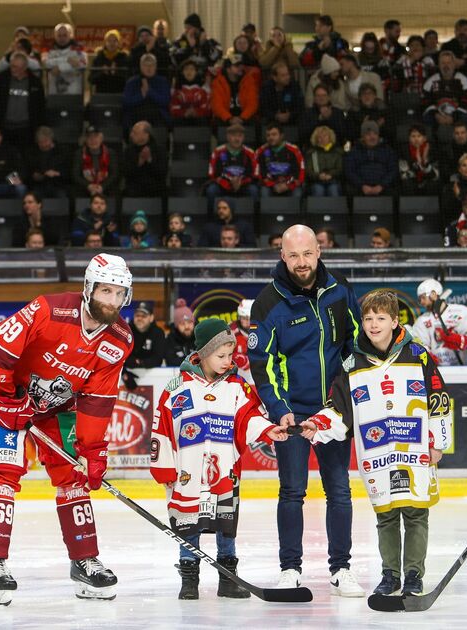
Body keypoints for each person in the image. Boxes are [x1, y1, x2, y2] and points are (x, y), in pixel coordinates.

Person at [0, 253, 134, 605]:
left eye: (120, 294)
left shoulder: (119, 340)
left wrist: (93, 451)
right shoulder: (49, 310)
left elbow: (97, 400)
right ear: (89, 288)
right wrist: (5, 399)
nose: (113, 301)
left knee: (74, 477)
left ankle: (85, 560)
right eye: (106, 291)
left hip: (56, 408)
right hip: (3, 395)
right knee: (2, 473)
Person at [298, 288, 452, 597]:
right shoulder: (353, 362)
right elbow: (338, 406)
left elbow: (439, 399)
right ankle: (390, 574)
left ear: (395, 321)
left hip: (415, 448)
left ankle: (413, 574)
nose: (373, 324)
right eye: (368, 318)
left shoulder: (418, 354)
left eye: (381, 318)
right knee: (386, 513)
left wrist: (438, 442)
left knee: (415, 511)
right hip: (377, 452)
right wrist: (318, 424)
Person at [248, 224, 363, 596]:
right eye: (293, 255)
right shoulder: (268, 303)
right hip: (293, 414)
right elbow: (262, 363)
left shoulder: (340, 289)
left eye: (307, 253)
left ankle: (341, 568)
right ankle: (289, 568)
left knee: (340, 491)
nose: (301, 262)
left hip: (331, 412)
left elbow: (354, 342)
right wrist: (280, 408)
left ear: (319, 251)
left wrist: (341, 402)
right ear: (282, 255)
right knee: (292, 491)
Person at [150, 317, 289, 600]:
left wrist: (268, 429)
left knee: (226, 523)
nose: (228, 361)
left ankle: (228, 579)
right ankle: (189, 580)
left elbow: (250, 416)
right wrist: (164, 468)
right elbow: (161, 428)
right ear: (202, 354)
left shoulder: (237, 386)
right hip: (187, 473)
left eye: (230, 355)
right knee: (188, 523)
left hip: (224, 471)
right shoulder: (177, 388)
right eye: (221, 355)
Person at [0, 51, 46, 150]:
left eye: (17, 67)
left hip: (26, 130)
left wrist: (39, 127)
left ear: (24, 67)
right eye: (12, 66)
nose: (13, 69)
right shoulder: (0, 79)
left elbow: (41, 106)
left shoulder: (35, 83)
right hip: (3, 128)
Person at [409, 279, 467, 366]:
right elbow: (420, 345)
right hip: (436, 373)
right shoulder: (421, 321)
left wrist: (459, 340)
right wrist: (429, 358)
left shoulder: (462, 311)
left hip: (461, 371)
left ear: (433, 294)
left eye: (423, 298)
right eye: (420, 300)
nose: (422, 302)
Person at [205, 123, 257, 208]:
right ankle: (211, 219)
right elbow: (212, 174)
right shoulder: (217, 152)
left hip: (242, 186)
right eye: (234, 136)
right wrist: (228, 184)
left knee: (253, 190)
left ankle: (255, 219)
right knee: (211, 190)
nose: (237, 139)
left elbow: (253, 174)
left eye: (240, 136)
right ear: (228, 137)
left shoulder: (250, 153)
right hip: (223, 186)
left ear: (243, 137)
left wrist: (240, 183)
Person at [421, 51, 467, 130]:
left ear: (454, 64)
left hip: (457, 114)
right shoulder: (431, 80)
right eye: (443, 63)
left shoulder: (463, 79)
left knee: (465, 118)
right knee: (426, 118)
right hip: (437, 114)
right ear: (439, 65)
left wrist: (453, 117)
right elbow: (425, 101)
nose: (446, 66)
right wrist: (436, 115)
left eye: (449, 63)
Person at [345, 120, 398, 197]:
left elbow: (393, 170)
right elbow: (349, 171)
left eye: (375, 134)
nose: (372, 137)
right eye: (368, 134)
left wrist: (381, 185)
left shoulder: (388, 150)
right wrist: (362, 185)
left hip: (383, 187)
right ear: (362, 137)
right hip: (360, 188)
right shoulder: (354, 151)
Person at [123, 300, 167, 388]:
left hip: (152, 377)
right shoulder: (126, 331)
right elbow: (119, 356)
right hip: (128, 374)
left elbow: (158, 359)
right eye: (137, 315)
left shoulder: (158, 333)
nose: (140, 318)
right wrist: (124, 373)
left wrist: (137, 362)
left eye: (144, 316)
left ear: (151, 318)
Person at [255, 122, 306, 198]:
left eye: (274, 134)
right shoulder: (261, 151)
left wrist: (288, 185)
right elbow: (259, 173)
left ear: (281, 136)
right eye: (268, 135)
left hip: (290, 184)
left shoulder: (294, 150)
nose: (270, 137)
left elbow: (300, 171)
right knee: (264, 191)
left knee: (297, 193)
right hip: (270, 185)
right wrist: (272, 184)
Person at [122, 53, 171, 128]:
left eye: (151, 65)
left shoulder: (162, 81)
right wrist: (141, 95)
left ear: (155, 66)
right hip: (136, 113)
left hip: (157, 114)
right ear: (141, 66)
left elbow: (165, 101)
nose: (149, 68)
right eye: (146, 65)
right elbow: (126, 102)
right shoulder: (132, 82)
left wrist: (150, 92)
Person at [73, 126, 120, 199]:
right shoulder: (79, 154)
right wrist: (89, 186)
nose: (93, 140)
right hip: (86, 186)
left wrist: (102, 187)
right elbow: (76, 175)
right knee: (75, 192)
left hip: (105, 185)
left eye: (95, 137)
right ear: (86, 140)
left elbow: (114, 174)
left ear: (101, 139)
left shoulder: (110, 153)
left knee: (115, 191)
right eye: (89, 138)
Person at [210, 54, 260, 123]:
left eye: (241, 66)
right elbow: (217, 105)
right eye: (237, 66)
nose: (240, 68)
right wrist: (229, 118)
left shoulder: (249, 80)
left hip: (245, 119)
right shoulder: (218, 82)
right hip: (225, 120)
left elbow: (252, 103)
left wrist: (242, 118)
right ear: (228, 69)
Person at [43, 23, 86, 96]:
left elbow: (82, 65)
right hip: (54, 93)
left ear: (70, 35)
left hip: (74, 92)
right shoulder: (48, 49)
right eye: (59, 35)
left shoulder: (79, 49)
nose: (62, 38)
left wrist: (60, 67)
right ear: (55, 36)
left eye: (65, 35)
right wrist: (67, 60)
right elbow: (46, 63)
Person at [306, 125, 344, 197]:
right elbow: (308, 170)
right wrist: (318, 176)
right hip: (317, 181)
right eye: (320, 137)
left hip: (333, 181)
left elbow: (340, 168)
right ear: (316, 139)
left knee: (333, 190)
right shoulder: (311, 153)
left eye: (325, 136)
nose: (322, 139)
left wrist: (330, 174)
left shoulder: (337, 152)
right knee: (318, 190)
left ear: (330, 137)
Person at [89, 30, 130, 95]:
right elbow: (91, 80)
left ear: (119, 43)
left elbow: (129, 78)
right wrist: (102, 72)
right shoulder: (99, 57)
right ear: (105, 42)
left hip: (119, 94)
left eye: (115, 41)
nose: (112, 43)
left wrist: (116, 72)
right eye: (109, 41)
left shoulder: (124, 57)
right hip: (102, 95)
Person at [164, 299, 197, 365]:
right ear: (176, 326)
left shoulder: (200, 337)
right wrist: (194, 361)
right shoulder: (170, 340)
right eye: (182, 324)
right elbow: (170, 361)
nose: (187, 326)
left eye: (190, 322)